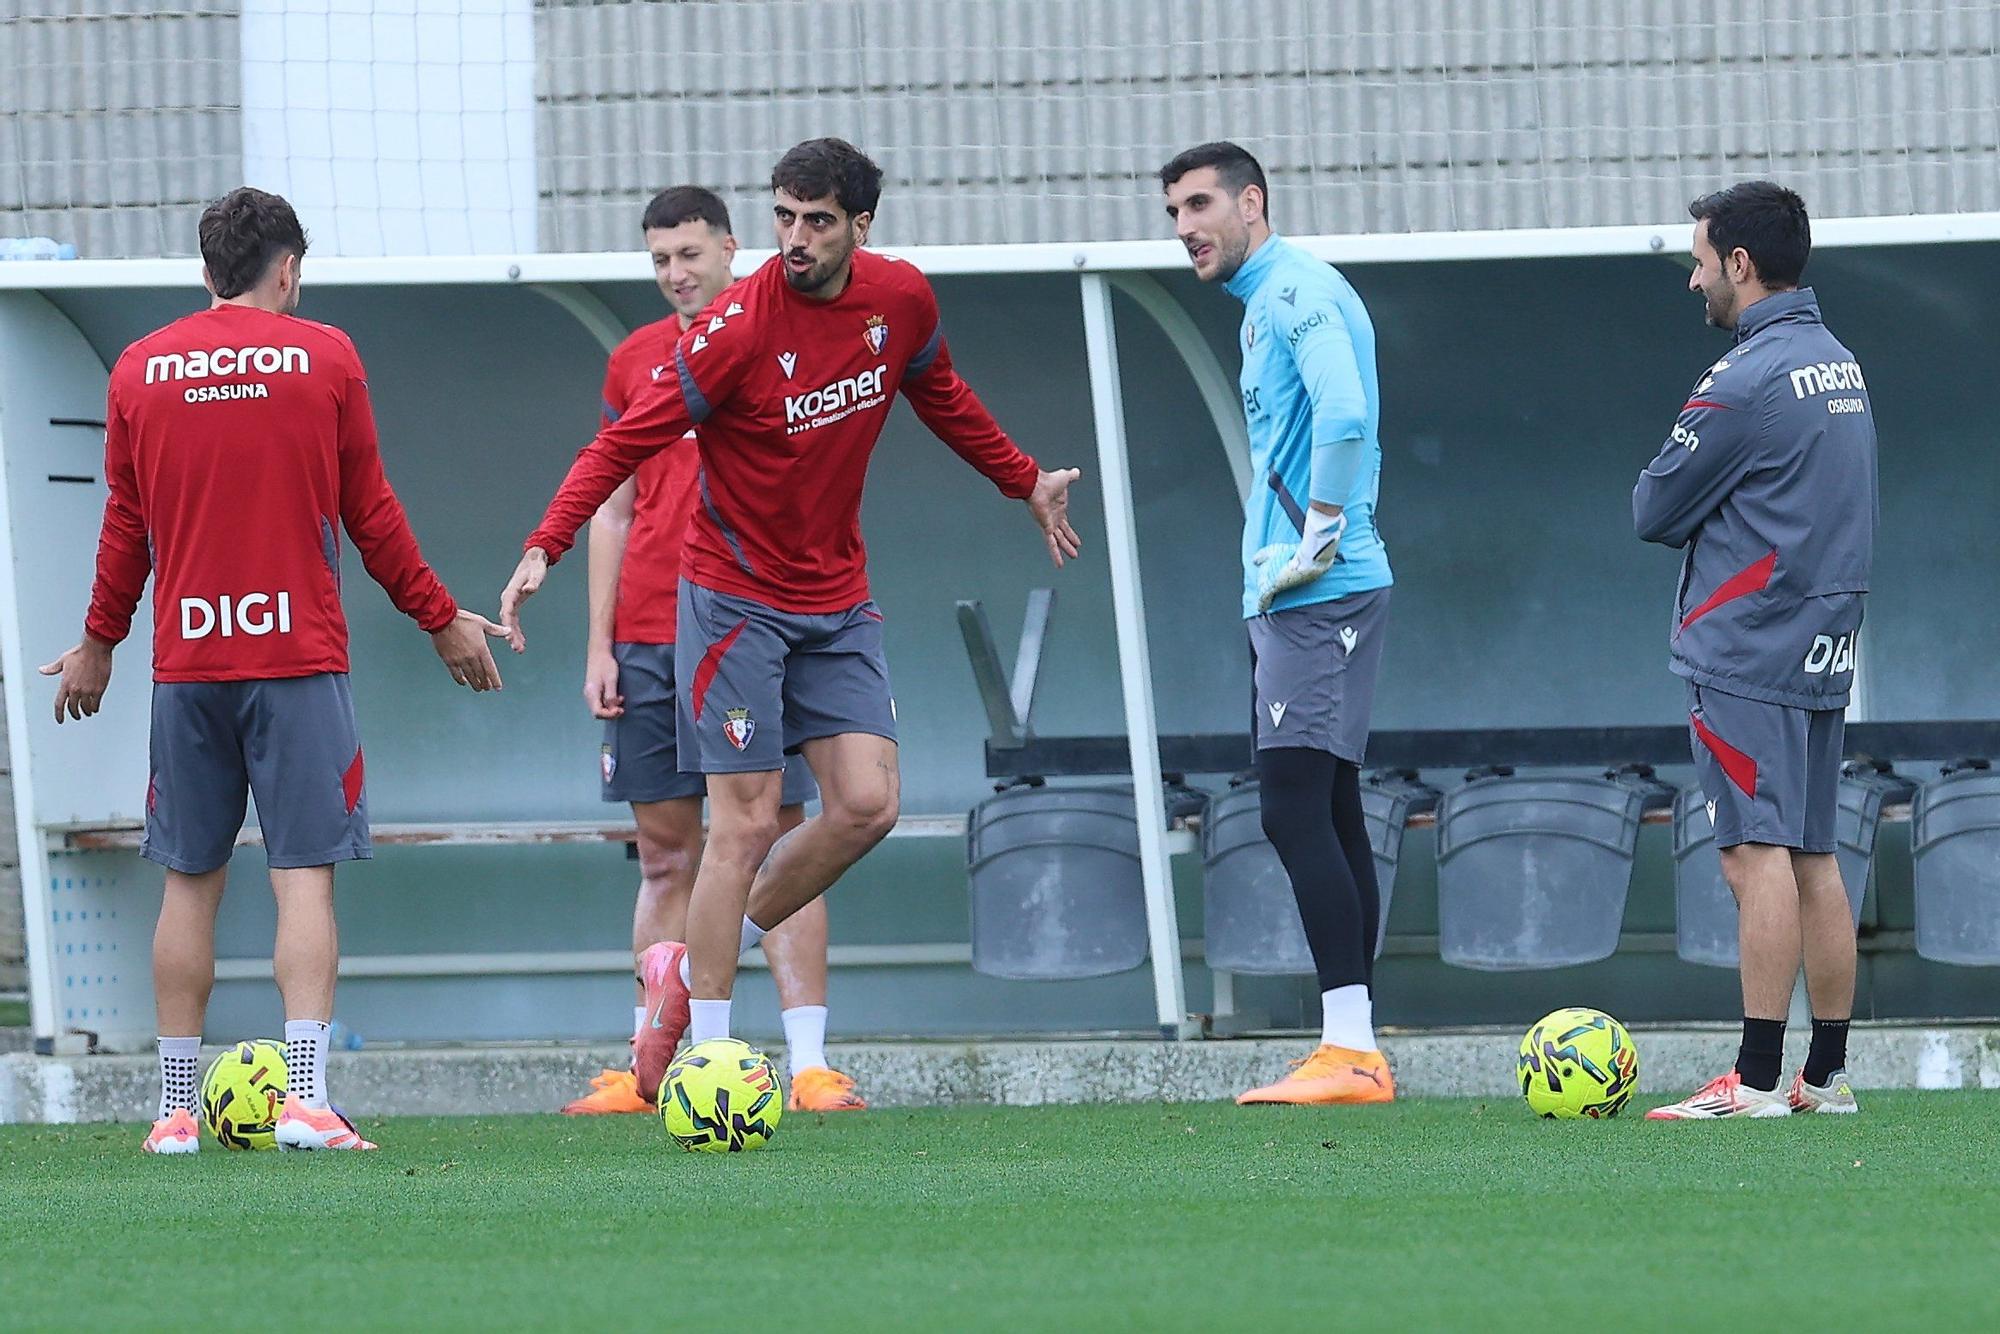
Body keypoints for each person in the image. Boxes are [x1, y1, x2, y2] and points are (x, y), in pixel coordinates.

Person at [501, 139, 1081, 1101]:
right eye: (784, 217)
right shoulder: (732, 329)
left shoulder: (899, 302)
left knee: (867, 806)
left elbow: (942, 397)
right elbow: (621, 445)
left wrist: (1023, 481)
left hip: (837, 598)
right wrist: (542, 547)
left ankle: (681, 977)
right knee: (744, 824)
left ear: (861, 225)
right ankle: (716, 1056)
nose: (796, 239)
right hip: (732, 600)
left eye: (817, 221)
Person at [41, 186, 507, 1153]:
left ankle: (174, 1111)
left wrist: (99, 642)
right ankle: (304, 1097)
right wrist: (439, 619)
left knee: (187, 880)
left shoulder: (138, 369)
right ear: (286, 267)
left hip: (190, 668)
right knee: (303, 880)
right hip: (297, 662)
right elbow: (368, 510)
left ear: (207, 269)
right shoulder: (326, 356)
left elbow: (126, 522)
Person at [559, 185, 863, 1116]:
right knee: (664, 855)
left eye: (691, 254)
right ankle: (656, 1061)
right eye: (660, 260)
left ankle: (807, 1060)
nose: (677, 274)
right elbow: (614, 505)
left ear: (735, 248)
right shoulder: (635, 360)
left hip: (755, 624)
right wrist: (599, 644)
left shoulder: (784, 340)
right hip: (651, 635)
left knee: (771, 834)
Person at [1162, 141, 1396, 1106]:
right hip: (1297, 594)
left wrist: (1321, 536)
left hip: (1318, 596)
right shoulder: (1271, 300)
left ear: (1252, 202)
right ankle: (1356, 1044)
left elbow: (1345, 415)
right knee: (1328, 809)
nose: (1186, 228)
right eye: (1174, 211)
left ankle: (1351, 1049)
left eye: (1201, 204)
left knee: (1294, 806)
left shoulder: (1294, 290)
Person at [1638, 182, 1876, 1120]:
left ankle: (1760, 1079)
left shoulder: (1742, 378)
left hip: (1746, 649)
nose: (1696, 280)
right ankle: (1826, 1077)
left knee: (1754, 857)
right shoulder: (1841, 362)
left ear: (1740, 264)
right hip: (1820, 647)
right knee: (1814, 854)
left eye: (1701, 261)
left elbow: (1653, 509)